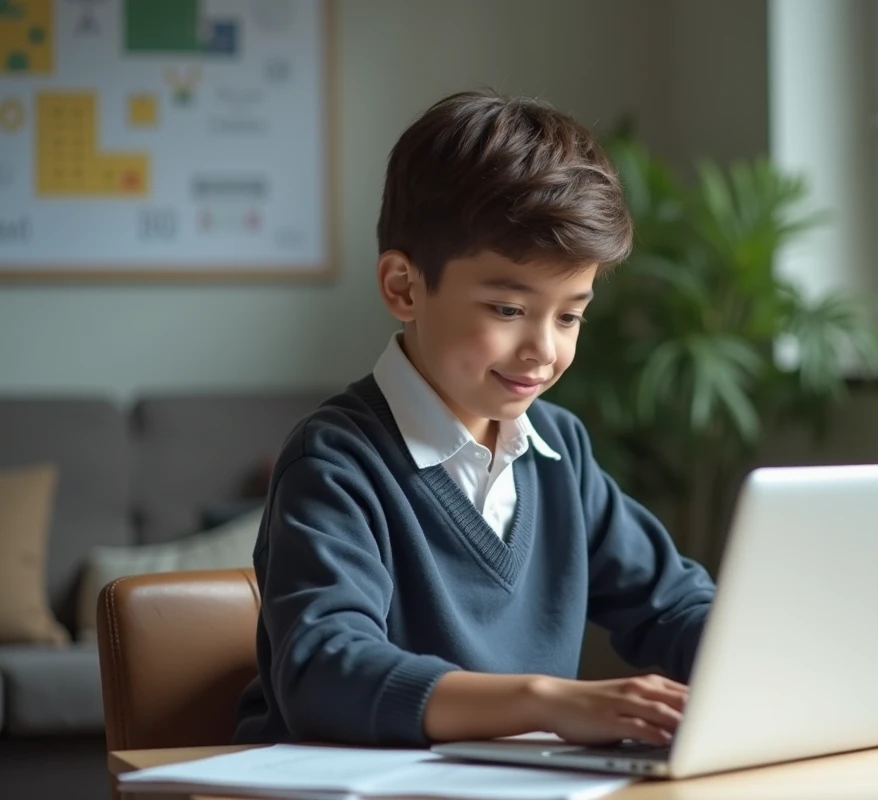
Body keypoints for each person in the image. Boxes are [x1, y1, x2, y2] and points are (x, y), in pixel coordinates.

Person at [233, 90, 716, 750]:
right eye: (508, 310)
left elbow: (674, 605)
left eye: (570, 315)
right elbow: (324, 673)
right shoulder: (336, 460)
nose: (544, 351)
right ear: (404, 287)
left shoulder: (559, 450)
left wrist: (773, 656)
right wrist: (546, 701)